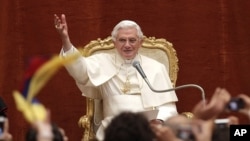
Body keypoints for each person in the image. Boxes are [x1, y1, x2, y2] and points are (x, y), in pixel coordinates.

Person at [54, 14, 178, 140]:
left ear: (141, 42)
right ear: (114, 43)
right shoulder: (102, 62)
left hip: (146, 130)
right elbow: (80, 70)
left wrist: (159, 121)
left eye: (132, 40)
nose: (127, 45)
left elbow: (168, 107)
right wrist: (65, 40)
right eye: (122, 40)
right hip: (113, 131)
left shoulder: (156, 68)